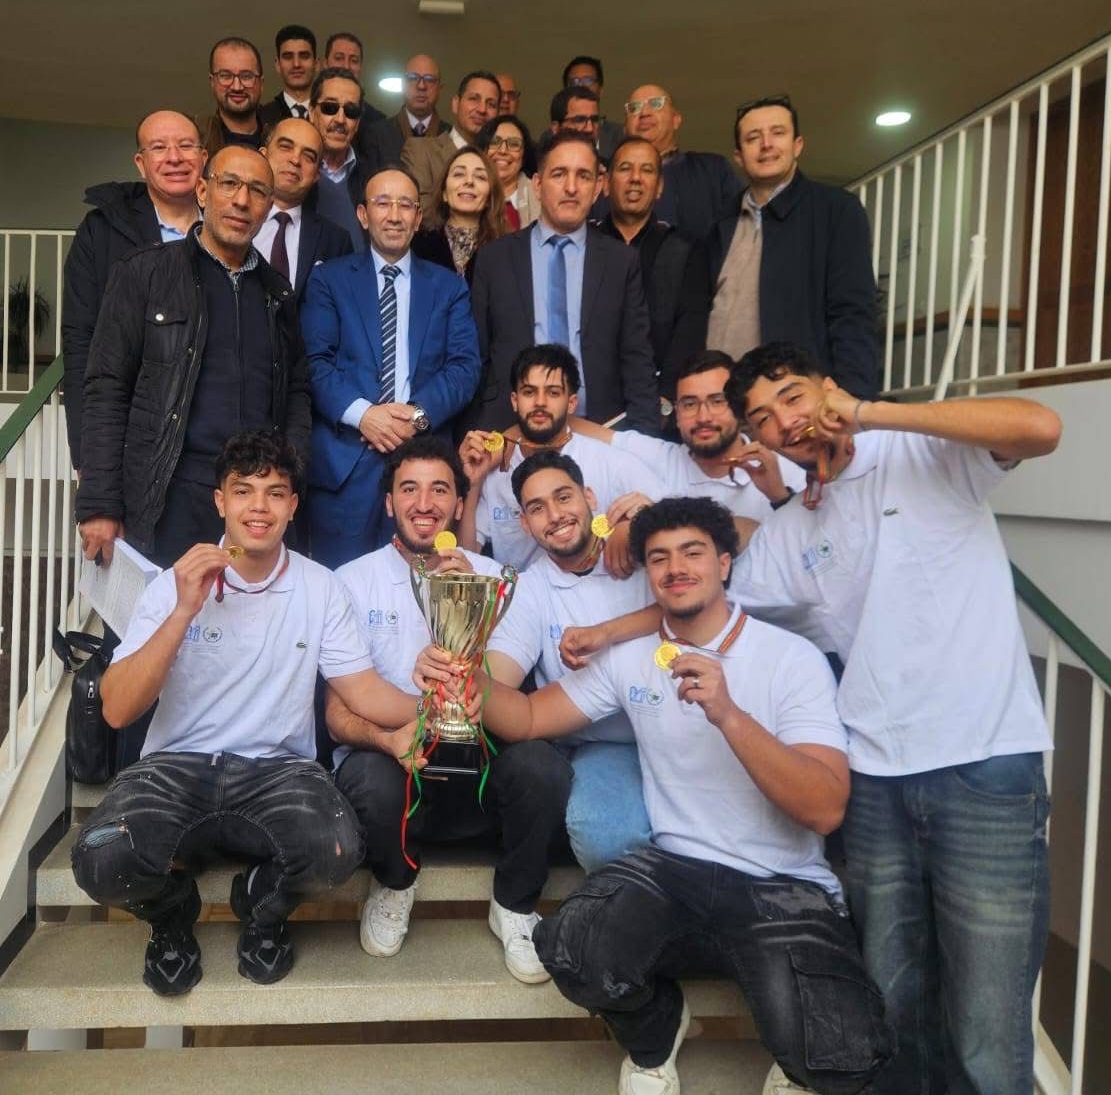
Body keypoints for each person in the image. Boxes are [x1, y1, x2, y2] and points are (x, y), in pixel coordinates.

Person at [413, 496, 893, 1095]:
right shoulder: (633, 659)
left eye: (692, 553)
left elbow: (824, 808)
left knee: (844, 1056)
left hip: (783, 884)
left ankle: (795, 1052)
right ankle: (658, 1033)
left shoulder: (790, 658)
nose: (675, 568)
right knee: (569, 945)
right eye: (660, 558)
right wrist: (463, 674)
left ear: (724, 563)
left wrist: (729, 715)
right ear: (647, 573)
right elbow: (531, 717)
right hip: (676, 871)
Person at [722, 341, 1060, 1094]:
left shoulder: (923, 450)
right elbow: (717, 608)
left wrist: (872, 414)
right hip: (873, 780)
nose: (784, 421)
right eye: (762, 418)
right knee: (894, 1011)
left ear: (828, 388)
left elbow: (1041, 427)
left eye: (793, 396)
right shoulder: (792, 527)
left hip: (985, 767)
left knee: (987, 1033)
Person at [72, 432, 427, 992]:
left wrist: (438, 706)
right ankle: (170, 911)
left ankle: (262, 907)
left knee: (337, 849)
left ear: (293, 505)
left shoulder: (321, 587)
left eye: (275, 492)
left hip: (278, 772)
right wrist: (184, 610)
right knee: (99, 858)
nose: (259, 507)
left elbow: (363, 692)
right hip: (175, 767)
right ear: (220, 501)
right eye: (243, 491)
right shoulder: (173, 584)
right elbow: (116, 710)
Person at [328, 437, 571, 982]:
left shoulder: (499, 581)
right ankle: (394, 884)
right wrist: (395, 734)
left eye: (440, 489)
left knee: (543, 767)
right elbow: (336, 718)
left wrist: (467, 622)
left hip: (477, 767)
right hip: (399, 769)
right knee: (367, 778)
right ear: (388, 502)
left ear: (460, 504)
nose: (424, 503)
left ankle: (514, 902)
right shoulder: (349, 583)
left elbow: (504, 692)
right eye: (408, 489)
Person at [77, 146, 309, 571]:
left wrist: (288, 477)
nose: (242, 200)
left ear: (268, 206)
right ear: (203, 191)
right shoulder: (145, 274)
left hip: (252, 505)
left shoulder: (278, 294)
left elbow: (296, 393)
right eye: (230, 184)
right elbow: (106, 389)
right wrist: (99, 502)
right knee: (167, 613)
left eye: (258, 190)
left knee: (246, 614)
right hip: (169, 497)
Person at [477, 450, 656, 870]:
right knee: (606, 837)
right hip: (607, 746)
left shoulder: (645, 546)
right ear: (525, 524)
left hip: (685, 725)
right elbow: (499, 679)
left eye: (563, 497)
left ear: (589, 497)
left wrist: (651, 522)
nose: (555, 515)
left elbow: (703, 599)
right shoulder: (530, 589)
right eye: (537, 508)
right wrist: (465, 675)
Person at [301, 165, 481, 568]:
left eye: (405, 205)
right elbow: (314, 361)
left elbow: (464, 368)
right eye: (383, 204)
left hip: (424, 465)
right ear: (363, 215)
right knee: (341, 587)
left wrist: (414, 419)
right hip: (346, 466)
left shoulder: (449, 287)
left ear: (418, 218)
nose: (394, 215)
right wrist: (365, 416)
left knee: (425, 584)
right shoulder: (329, 281)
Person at [466, 132, 661, 433]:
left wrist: (644, 439)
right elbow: (474, 358)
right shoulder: (495, 259)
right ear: (538, 185)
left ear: (598, 187)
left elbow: (638, 359)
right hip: (508, 430)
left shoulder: (620, 262)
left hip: (599, 430)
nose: (571, 187)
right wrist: (476, 431)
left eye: (583, 176)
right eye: (559, 174)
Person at [704, 97, 881, 398]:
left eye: (778, 133)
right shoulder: (720, 224)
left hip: (799, 406)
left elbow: (853, 314)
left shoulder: (837, 211)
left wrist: (854, 398)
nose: (766, 145)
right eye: (753, 138)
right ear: (738, 156)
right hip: (723, 403)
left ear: (798, 145)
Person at [61, 109, 202, 457]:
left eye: (186, 145)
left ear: (204, 156)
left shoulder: (229, 226)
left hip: (208, 431)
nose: (174, 157)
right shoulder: (102, 231)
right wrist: (84, 448)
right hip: (130, 430)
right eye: (159, 147)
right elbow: (80, 339)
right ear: (141, 163)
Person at [457, 345, 660, 573]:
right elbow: (468, 559)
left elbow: (671, 519)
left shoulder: (611, 462)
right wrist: (473, 483)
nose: (540, 402)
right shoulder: (493, 468)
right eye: (529, 392)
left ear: (571, 403)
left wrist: (633, 524)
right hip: (522, 593)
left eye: (553, 393)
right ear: (514, 400)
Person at [573, 349, 805, 539]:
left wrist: (780, 497)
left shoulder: (783, 469)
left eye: (717, 401)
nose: (703, 417)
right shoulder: (662, 458)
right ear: (676, 413)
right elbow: (581, 431)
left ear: (739, 407)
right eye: (690, 404)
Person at [590, 136, 709, 400]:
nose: (635, 178)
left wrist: (664, 400)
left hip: (659, 400)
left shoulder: (684, 250)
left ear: (659, 187)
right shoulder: (583, 244)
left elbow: (689, 334)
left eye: (647, 170)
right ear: (606, 184)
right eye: (625, 168)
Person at [622, 83, 742, 243]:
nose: (644, 113)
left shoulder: (713, 169)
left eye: (656, 103)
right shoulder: (610, 180)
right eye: (634, 108)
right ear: (625, 128)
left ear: (676, 120)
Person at [254, 117, 353, 304]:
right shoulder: (233, 218)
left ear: (316, 175)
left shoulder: (336, 241)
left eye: (308, 156)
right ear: (263, 155)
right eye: (285, 147)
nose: (295, 160)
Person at [401, 70, 502, 223]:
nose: (482, 109)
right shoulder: (420, 150)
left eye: (491, 104)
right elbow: (420, 211)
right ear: (456, 104)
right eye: (474, 99)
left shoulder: (499, 161)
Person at [409, 146, 507, 281]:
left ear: (490, 198)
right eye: (459, 174)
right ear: (444, 192)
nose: (469, 181)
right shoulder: (417, 244)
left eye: (480, 177)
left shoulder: (506, 251)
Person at [307, 67, 372, 251]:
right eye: (330, 108)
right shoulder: (294, 172)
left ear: (357, 123)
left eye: (351, 111)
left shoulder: (373, 178)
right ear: (311, 112)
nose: (340, 119)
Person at [357, 54, 449, 173]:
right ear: (402, 85)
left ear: (439, 89)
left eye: (429, 79)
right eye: (413, 78)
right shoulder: (377, 134)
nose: (421, 86)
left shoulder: (451, 137)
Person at [204, 36, 275, 151]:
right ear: (212, 82)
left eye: (246, 76)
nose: (237, 87)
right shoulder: (197, 139)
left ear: (261, 84)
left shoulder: (278, 139)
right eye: (226, 76)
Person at [553, 55, 622, 159]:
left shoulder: (619, 135)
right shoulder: (550, 136)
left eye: (588, 81)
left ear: (600, 90)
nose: (581, 86)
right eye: (574, 82)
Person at [477, 115, 539, 229]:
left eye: (514, 144)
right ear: (482, 150)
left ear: (524, 156)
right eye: (495, 142)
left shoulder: (541, 196)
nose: (503, 151)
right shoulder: (469, 191)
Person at [323, 31, 385, 125]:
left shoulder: (377, 122)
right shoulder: (306, 111)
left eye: (354, 60)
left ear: (360, 67)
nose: (346, 66)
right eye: (339, 58)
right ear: (325, 64)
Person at [264, 24, 317, 120]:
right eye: (288, 57)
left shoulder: (331, 113)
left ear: (316, 63)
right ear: (278, 64)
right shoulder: (262, 117)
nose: (296, 64)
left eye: (304, 56)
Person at [545, 86, 608, 157]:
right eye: (579, 120)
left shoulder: (607, 164)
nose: (590, 129)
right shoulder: (544, 163)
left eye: (594, 120)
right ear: (556, 128)